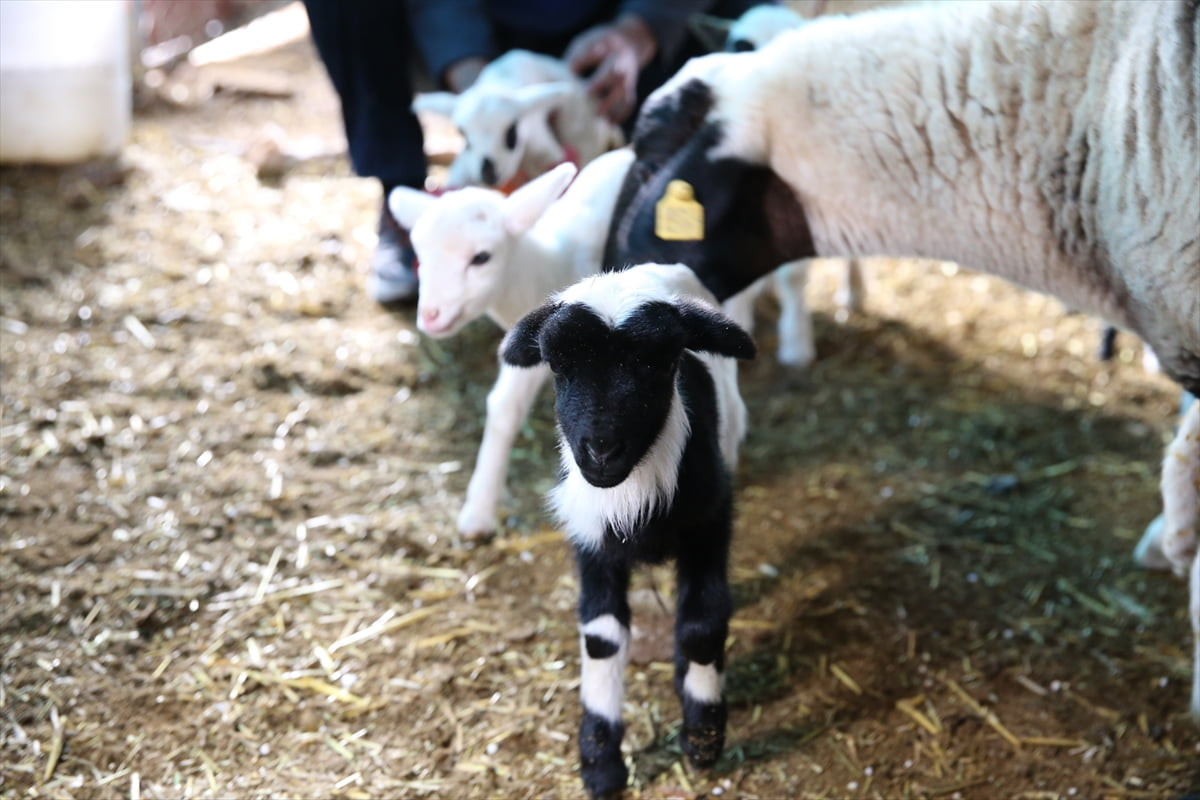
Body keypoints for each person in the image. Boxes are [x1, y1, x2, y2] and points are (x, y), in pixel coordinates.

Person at [303, 0, 759, 305]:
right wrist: (478, 85)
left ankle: (700, 216)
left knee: (757, 27)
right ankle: (404, 203)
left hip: (623, 32)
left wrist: (642, 26)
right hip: (482, 35)